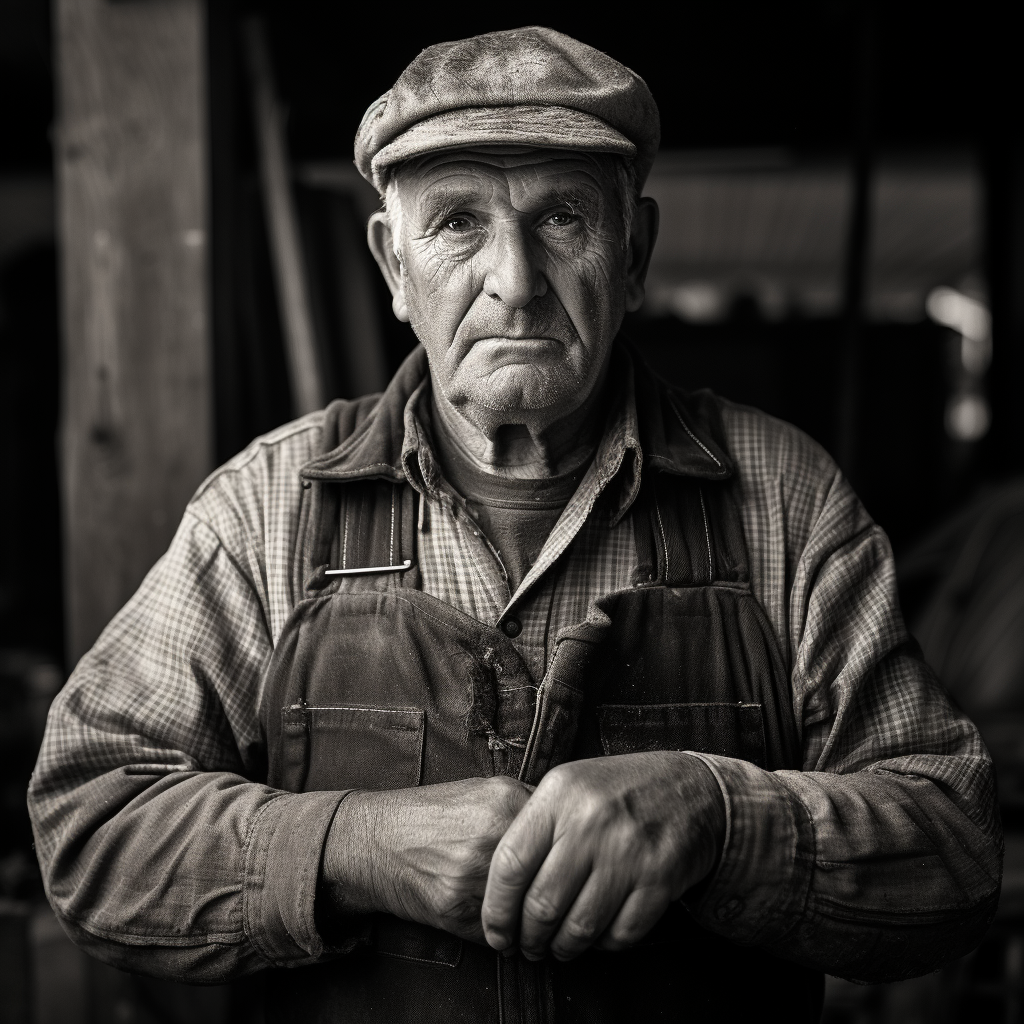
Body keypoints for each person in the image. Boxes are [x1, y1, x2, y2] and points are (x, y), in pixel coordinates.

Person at [29, 26, 1000, 1024]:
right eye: (455, 223)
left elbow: (953, 849)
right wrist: (355, 845)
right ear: (393, 268)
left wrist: (719, 815)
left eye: (563, 219)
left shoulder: (780, 495)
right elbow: (92, 825)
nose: (517, 281)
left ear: (635, 254)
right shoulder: (270, 507)